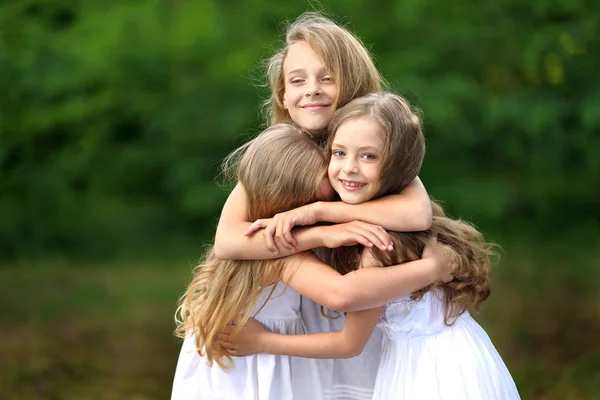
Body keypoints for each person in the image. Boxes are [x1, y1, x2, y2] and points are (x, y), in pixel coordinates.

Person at [220, 92, 521, 400]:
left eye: (368, 156)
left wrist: (262, 342)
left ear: (398, 168)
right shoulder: (393, 217)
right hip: (452, 358)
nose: (349, 168)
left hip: (434, 373)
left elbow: (348, 338)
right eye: (339, 153)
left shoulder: (381, 242)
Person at [213, 12, 434, 399]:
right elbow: (228, 241)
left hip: (335, 319)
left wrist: (323, 212)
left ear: (354, 84)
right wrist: (321, 234)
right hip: (284, 310)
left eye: (327, 77)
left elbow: (417, 213)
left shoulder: (371, 151)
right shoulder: (278, 157)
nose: (311, 89)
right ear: (283, 94)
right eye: (297, 80)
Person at [172, 123, 454, 400]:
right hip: (250, 368)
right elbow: (342, 295)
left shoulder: (251, 239)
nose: (333, 209)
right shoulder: (278, 255)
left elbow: (413, 203)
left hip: (243, 362)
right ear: (284, 204)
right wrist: (432, 268)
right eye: (310, 204)